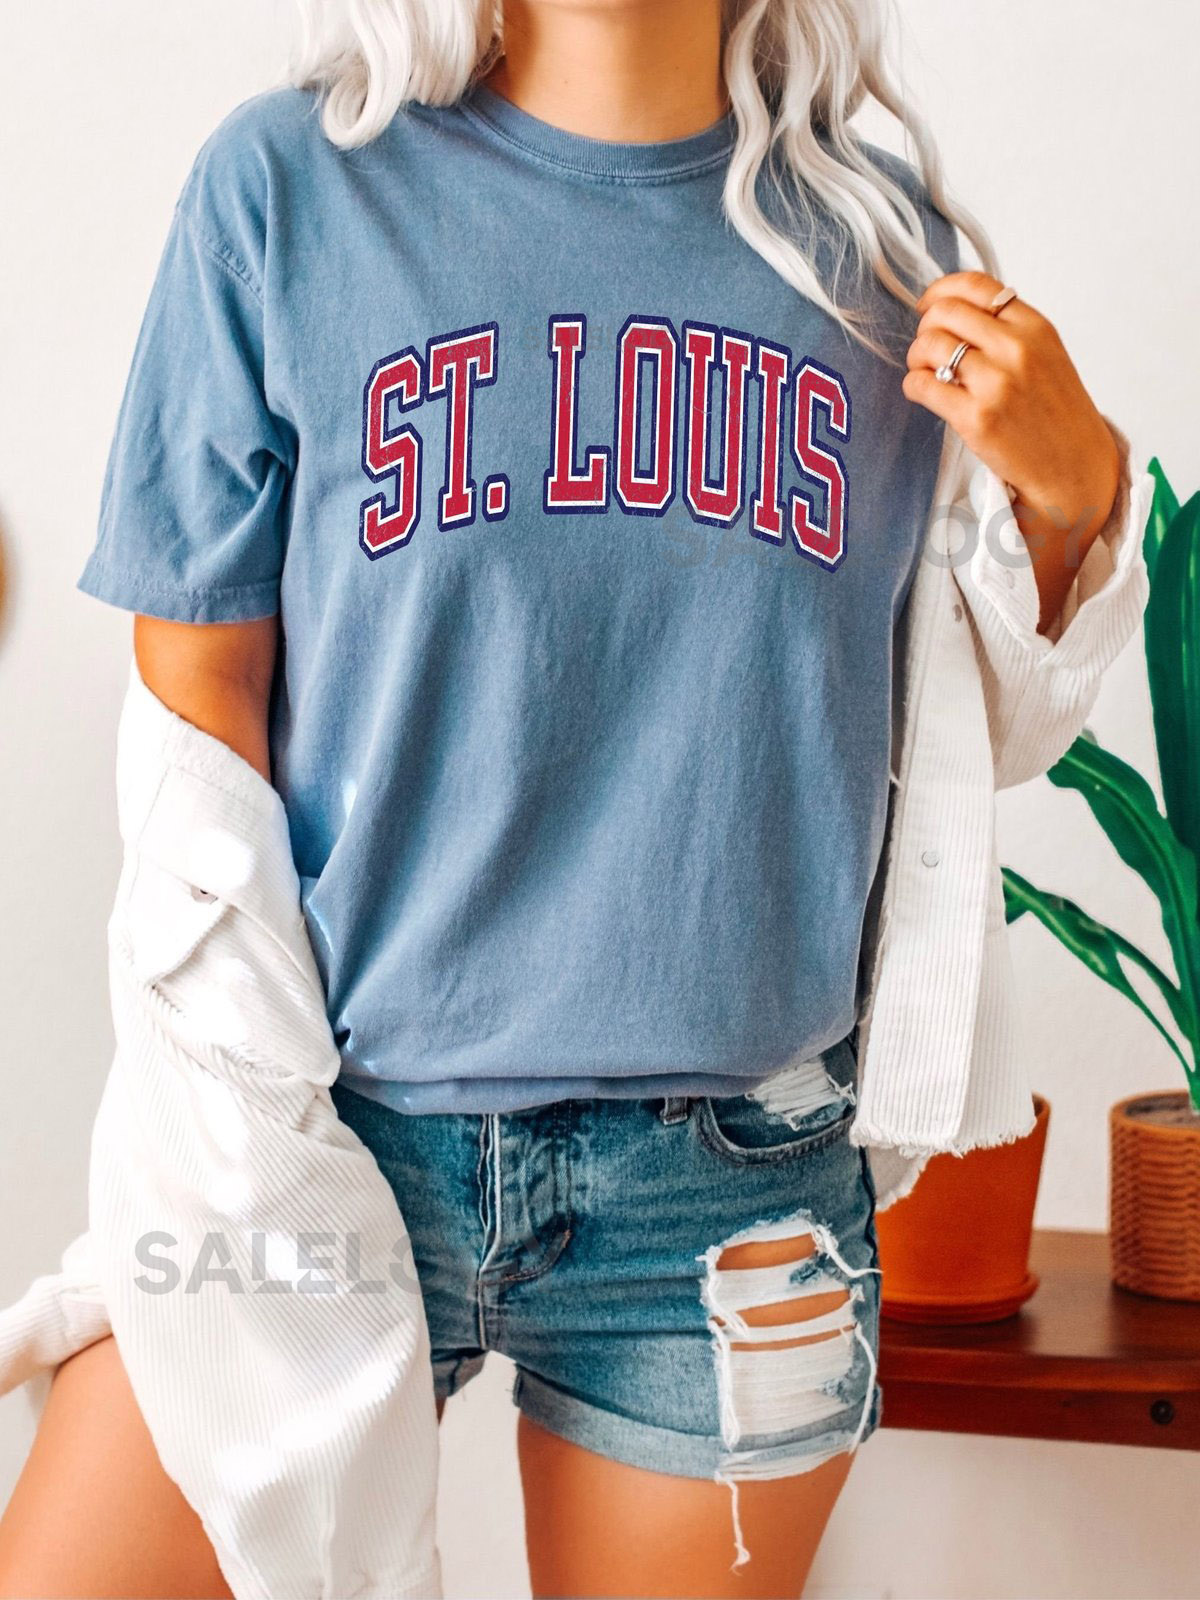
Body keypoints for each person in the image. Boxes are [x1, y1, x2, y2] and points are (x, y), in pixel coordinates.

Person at [0, 2, 1142, 1596]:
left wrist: (1076, 494)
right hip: (316, 1133)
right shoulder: (291, 189)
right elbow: (199, 696)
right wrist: (240, 1102)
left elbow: (968, 728)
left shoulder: (881, 255)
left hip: (726, 1194)